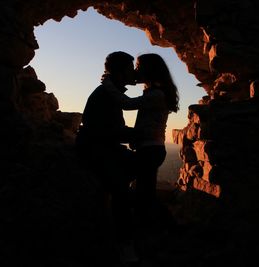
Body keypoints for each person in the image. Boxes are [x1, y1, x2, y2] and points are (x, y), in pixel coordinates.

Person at [75, 51, 140, 263]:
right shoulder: (106, 95)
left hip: (101, 147)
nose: (135, 72)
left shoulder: (108, 92)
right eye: (131, 68)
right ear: (121, 73)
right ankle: (125, 244)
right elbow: (108, 131)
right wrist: (139, 134)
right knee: (120, 187)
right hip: (95, 150)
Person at [117, 53, 180, 235]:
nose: (136, 70)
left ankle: (165, 228)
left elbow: (127, 103)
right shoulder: (155, 92)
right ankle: (161, 228)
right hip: (153, 149)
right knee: (145, 193)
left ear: (149, 70)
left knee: (141, 193)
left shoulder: (156, 94)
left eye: (138, 66)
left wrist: (110, 85)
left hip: (150, 150)